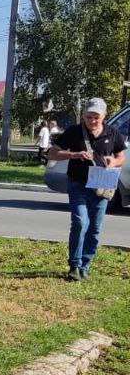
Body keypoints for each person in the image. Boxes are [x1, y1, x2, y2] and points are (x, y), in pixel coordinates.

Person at [47, 98, 126, 281]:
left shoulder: (112, 132)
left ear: (104, 116)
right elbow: (52, 153)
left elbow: (120, 156)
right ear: (83, 116)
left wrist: (113, 161)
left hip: (102, 186)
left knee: (95, 228)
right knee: (80, 223)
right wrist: (73, 154)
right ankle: (74, 266)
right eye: (88, 117)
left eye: (96, 117)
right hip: (78, 184)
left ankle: (85, 265)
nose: (92, 121)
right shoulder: (74, 132)